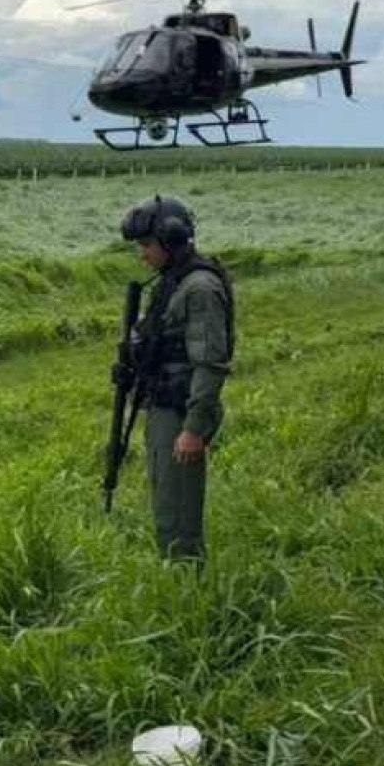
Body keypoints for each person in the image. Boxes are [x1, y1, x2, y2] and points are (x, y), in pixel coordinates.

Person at [121, 196, 235, 561]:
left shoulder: (198, 288)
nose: (143, 255)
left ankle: (189, 591)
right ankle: (176, 578)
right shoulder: (173, 282)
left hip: (182, 412)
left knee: (179, 515)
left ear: (170, 239)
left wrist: (193, 428)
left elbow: (210, 363)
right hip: (165, 407)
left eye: (147, 245)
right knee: (165, 503)